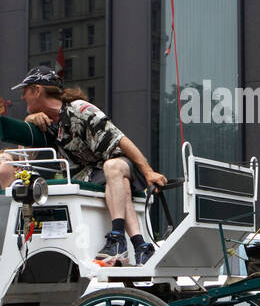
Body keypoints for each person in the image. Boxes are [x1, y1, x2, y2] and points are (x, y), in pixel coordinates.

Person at [14, 66, 165, 266]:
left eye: (24, 91)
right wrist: (28, 124)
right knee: (119, 183)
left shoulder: (79, 109)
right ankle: (140, 245)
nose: (22, 97)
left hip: (118, 165)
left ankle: (117, 238)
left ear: (37, 90)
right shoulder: (44, 121)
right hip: (92, 176)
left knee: (113, 168)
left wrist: (148, 172)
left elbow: (120, 139)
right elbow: (25, 159)